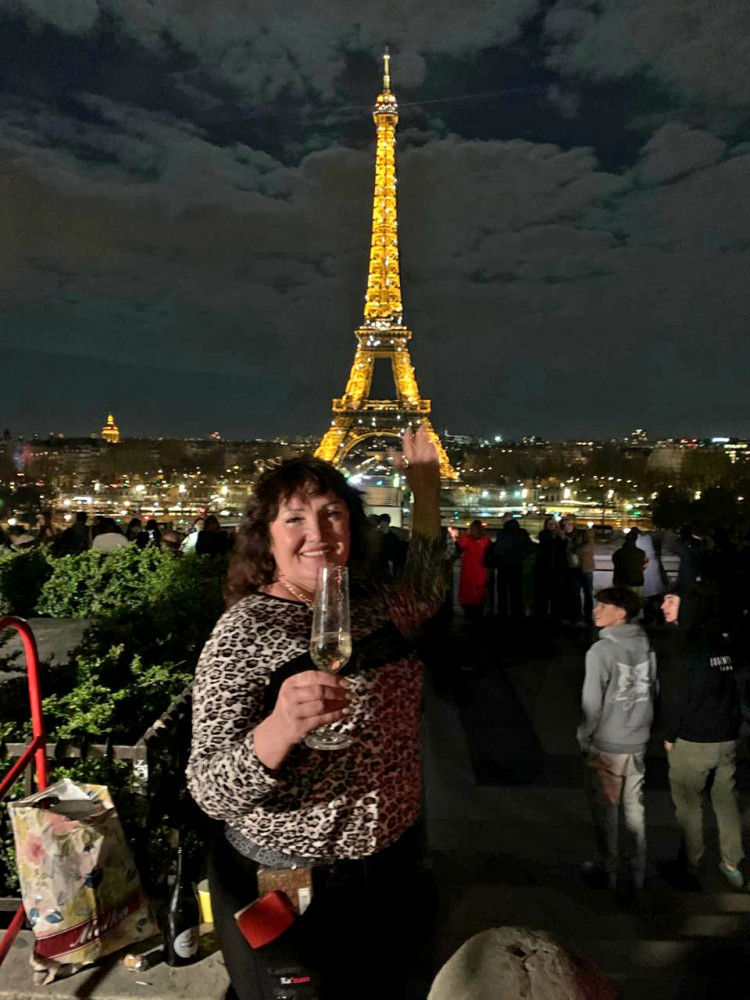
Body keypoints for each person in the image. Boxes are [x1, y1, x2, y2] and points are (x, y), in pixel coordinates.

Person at [186, 426, 443, 1000]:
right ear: (266, 538)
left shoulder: (374, 605)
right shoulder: (245, 631)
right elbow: (209, 790)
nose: (319, 534)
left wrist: (426, 486)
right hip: (292, 880)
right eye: (295, 519)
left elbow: (428, 580)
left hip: (391, 868)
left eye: (332, 514)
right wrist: (279, 729)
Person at [661, 583, 745, 890]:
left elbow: (675, 697)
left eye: (671, 600)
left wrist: (669, 735)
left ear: (688, 606)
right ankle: (732, 862)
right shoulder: (719, 643)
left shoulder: (681, 645)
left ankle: (690, 865)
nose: (663, 606)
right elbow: (733, 690)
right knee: (726, 801)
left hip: (694, 739)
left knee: (689, 804)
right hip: (727, 737)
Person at [577, 586, 657, 890]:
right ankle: (637, 870)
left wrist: (585, 738)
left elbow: (592, 704)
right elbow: (654, 689)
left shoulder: (600, 651)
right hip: (637, 739)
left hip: (608, 744)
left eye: (603, 606)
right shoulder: (646, 645)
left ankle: (606, 869)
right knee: (635, 809)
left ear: (621, 613)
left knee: (607, 810)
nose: (595, 611)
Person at [490, 517, 533, 621]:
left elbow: (496, 550)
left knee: (502, 593)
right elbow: (529, 547)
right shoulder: (522, 533)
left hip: (503, 567)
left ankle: (502, 615)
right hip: (517, 566)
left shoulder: (502, 533)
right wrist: (521, 557)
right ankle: (517, 615)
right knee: (516, 592)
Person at [561, 516, 595, 625]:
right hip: (572, 568)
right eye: (563, 525)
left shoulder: (582, 533)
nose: (565, 527)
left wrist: (575, 550)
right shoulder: (562, 536)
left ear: (571, 524)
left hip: (585, 567)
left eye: (567, 524)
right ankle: (577, 616)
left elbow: (590, 544)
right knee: (574, 593)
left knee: (587, 593)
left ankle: (588, 615)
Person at [456, 519, 490, 623]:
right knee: (479, 597)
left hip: (468, 572)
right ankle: (478, 619)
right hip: (481, 572)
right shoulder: (486, 541)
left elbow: (458, 547)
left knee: (467, 596)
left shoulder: (466, 540)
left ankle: (468, 619)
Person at [533, 517, 566, 622]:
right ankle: (543, 615)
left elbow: (563, 549)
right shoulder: (544, 534)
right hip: (545, 569)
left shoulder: (560, 535)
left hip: (556, 569)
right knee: (543, 595)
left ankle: (554, 616)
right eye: (549, 524)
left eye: (553, 524)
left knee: (555, 595)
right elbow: (546, 547)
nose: (551, 526)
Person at [636, 530, 666, 626]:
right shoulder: (649, 539)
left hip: (647, 571)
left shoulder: (641, 541)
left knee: (650, 597)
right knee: (654, 596)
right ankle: (658, 618)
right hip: (651, 571)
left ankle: (652, 617)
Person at [612, 528, 647, 600]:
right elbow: (643, 565)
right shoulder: (641, 553)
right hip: (637, 581)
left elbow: (616, 564)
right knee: (636, 601)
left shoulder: (618, 553)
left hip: (622, 581)